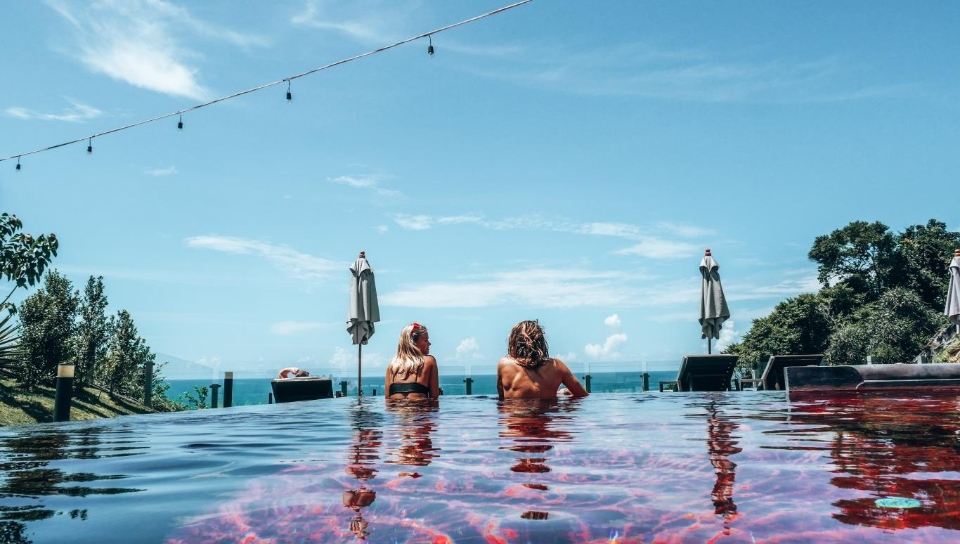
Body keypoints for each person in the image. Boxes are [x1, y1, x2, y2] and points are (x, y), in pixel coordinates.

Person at [497, 320, 589, 400]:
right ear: (540, 342)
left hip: (515, 414)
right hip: (546, 415)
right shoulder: (557, 366)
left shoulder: (505, 364)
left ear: (514, 342)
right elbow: (582, 395)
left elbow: (502, 398)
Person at [384, 322, 440, 399]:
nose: (429, 343)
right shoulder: (429, 361)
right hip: (420, 406)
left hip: (396, 406)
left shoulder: (392, 364)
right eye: (426, 340)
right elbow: (434, 397)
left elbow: (387, 399)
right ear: (413, 343)